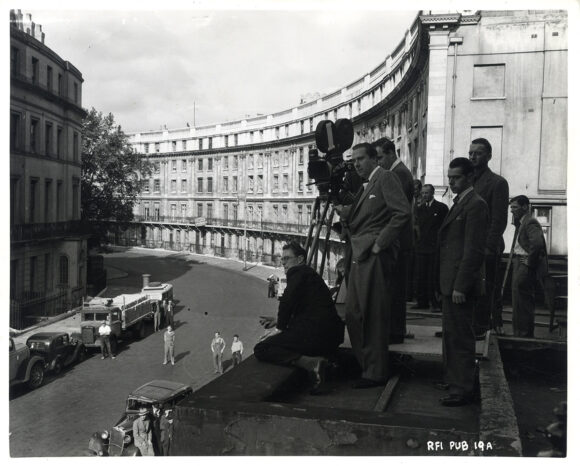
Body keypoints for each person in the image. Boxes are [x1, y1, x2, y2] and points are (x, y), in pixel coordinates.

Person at [336, 143, 410, 388]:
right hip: (360, 253)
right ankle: (366, 365)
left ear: (373, 159)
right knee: (354, 314)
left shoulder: (385, 178)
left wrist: (381, 243)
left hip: (373, 256)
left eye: (360, 159)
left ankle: (375, 372)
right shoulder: (366, 184)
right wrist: (346, 213)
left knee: (372, 314)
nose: (356, 164)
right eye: (353, 160)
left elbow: (402, 212)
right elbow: (366, 215)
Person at [254, 241, 345, 394]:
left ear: (300, 259)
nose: (284, 263)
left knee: (262, 348)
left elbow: (287, 302)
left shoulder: (297, 272)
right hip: (332, 338)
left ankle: (312, 364)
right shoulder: (310, 275)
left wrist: (280, 328)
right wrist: (278, 320)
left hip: (315, 337)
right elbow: (310, 310)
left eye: (287, 258)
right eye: (282, 259)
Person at [437, 157, 488, 407]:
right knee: (451, 335)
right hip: (451, 282)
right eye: (449, 178)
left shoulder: (475, 205)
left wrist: (460, 285)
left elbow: (473, 251)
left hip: (459, 285)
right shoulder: (462, 203)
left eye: (456, 178)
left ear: (469, 177)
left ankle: (462, 388)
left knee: (460, 337)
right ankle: (454, 380)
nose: (451, 182)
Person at [373, 137, 415, 343]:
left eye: (380, 157)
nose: (378, 162)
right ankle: (395, 330)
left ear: (392, 153)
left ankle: (395, 332)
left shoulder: (398, 175)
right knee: (394, 288)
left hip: (398, 240)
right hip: (400, 239)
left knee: (395, 289)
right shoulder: (400, 173)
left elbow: (397, 211)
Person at [469, 138, 510, 336]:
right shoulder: (468, 181)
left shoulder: (497, 183)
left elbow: (499, 220)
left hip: (486, 249)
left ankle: (483, 330)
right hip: (468, 246)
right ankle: (469, 328)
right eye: (471, 153)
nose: (473, 157)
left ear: (489, 156)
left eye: (478, 153)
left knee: (485, 293)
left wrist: (488, 248)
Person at [509, 195, 548, 338]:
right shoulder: (522, 222)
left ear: (525, 206)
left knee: (522, 300)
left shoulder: (530, 221)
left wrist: (530, 261)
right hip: (519, 262)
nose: (512, 211)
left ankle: (523, 334)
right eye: (511, 207)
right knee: (518, 299)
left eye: (515, 207)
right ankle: (519, 333)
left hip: (524, 264)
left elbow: (537, 244)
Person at [414, 184, 449, 311]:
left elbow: (445, 227)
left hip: (435, 247)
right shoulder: (420, 209)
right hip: (422, 246)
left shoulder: (441, 208)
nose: (424, 195)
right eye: (423, 193)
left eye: (427, 193)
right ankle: (422, 302)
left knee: (433, 276)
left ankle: (435, 302)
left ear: (432, 193)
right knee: (421, 275)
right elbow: (417, 226)